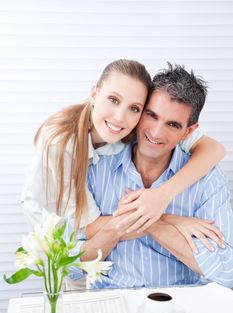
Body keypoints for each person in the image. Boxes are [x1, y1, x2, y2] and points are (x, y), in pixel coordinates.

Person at [69, 63, 233, 289]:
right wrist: (128, 225)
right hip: (114, 297)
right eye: (151, 115)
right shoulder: (95, 166)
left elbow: (227, 270)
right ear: (139, 111)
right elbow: (72, 266)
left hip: (182, 303)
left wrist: (152, 223)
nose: (155, 133)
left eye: (172, 125)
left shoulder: (207, 178)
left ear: (189, 132)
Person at [21, 59, 225, 238]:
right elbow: (89, 226)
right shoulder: (62, 146)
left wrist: (162, 195)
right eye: (113, 100)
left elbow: (215, 150)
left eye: (134, 108)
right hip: (57, 240)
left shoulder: (144, 129)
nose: (120, 117)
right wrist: (175, 221)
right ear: (94, 93)